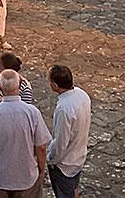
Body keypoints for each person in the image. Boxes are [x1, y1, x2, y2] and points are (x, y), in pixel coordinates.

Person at [0, 68, 51, 198]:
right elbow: (41, 147)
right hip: (28, 176)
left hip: (1, 177)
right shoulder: (32, 113)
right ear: (19, 85)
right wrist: (41, 170)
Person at [46, 64, 91, 198]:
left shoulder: (64, 109)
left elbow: (61, 141)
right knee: (73, 189)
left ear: (55, 85)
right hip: (78, 154)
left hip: (65, 163)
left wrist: (53, 159)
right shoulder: (82, 94)